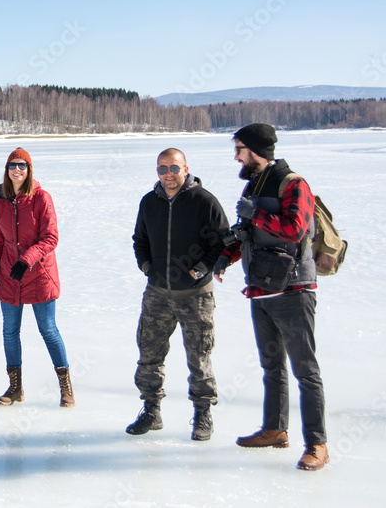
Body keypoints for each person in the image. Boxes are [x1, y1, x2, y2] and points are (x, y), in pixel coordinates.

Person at [213, 123, 329, 471]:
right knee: (271, 366)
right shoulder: (255, 183)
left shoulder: (295, 183)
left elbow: (294, 229)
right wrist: (226, 256)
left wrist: (257, 213)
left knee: (305, 370)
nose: (236, 156)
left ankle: (317, 444)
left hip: (294, 289)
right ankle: (275, 429)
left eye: (239, 149)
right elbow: (250, 232)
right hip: (261, 287)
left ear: (256, 149)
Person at [127, 148, 229, 441]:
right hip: (158, 292)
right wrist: (146, 266)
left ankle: (203, 414)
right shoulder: (149, 202)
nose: (168, 175)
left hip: (196, 294)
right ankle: (151, 410)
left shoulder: (204, 201)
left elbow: (222, 243)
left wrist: (201, 269)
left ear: (186, 169)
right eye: (162, 169)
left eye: (174, 168)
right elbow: (140, 239)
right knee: (149, 353)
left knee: (199, 356)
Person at [0, 147, 74, 408]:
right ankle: (15, 388)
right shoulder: (0, 202)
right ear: (6, 170)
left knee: (48, 330)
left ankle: (66, 388)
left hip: (40, 275)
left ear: (29, 169)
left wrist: (27, 259)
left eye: (22, 165)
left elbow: (51, 238)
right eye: (12, 165)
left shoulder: (41, 198)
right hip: (10, 276)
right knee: (10, 332)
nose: (17, 170)